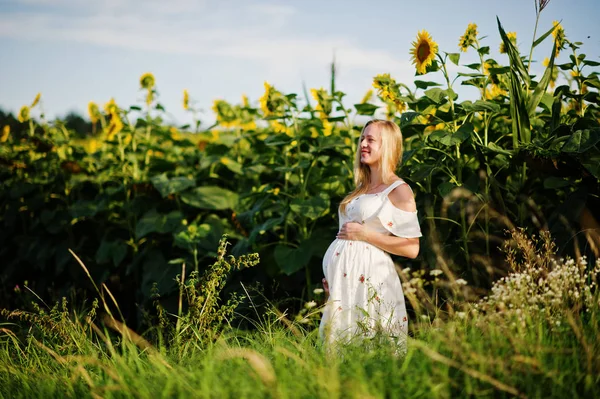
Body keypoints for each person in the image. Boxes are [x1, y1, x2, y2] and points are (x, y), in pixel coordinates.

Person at [319, 119, 421, 351]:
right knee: (339, 347)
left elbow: (412, 248)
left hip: (372, 279)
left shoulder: (398, 190)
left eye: (371, 140)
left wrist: (365, 233)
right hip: (345, 285)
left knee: (367, 347)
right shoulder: (361, 189)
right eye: (362, 139)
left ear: (387, 146)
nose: (363, 144)